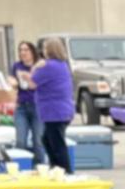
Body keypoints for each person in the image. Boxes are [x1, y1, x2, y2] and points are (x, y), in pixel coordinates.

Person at [32, 36, 77, 174]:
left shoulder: (48, 66)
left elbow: (32, 82)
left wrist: (35, 67)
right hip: (62, 110)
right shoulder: (62, 64)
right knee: (47, 139)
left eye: (45, 48)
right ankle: (56, 166)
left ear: (49, 50)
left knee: (56, 142)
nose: (43, 51)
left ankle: (64, 169)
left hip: (55, 111)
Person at [10, 38, 41, 157]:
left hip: (37, 106)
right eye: (20, 50)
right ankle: (21, 167)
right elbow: (12, 79)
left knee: (38, 141)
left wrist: (28, 77)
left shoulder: (39, 66)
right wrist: (11, 81)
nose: (23, 53)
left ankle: (39, 167)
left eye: (26, 50)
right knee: (20, 141)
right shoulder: (17, 66)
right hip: (21, 106)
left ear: (32, 52)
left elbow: (39, 84)